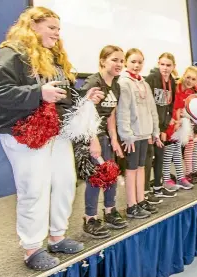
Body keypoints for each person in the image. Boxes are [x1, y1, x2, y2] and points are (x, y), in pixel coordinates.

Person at [0, 7, 104, 270]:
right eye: (52, 27)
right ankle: (31, 248)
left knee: (65, 183)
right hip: (24, 133)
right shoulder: (12, 53)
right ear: (33, 25)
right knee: (34, 190)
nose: (57, 32)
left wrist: (84, 98)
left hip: (57, 131)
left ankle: (57, 235)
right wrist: (38, 92)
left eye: (58, 28)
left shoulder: (53, 57)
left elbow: (61, 94)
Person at [81, 45, 128, 239]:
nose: (119, 64)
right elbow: (84, 114)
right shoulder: (94, 82)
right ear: (102, 61)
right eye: (114, 60)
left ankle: (110, 211)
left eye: (121, 61)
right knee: (96, 178)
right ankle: (89, 218)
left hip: (105, 136)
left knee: (111, 175)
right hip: (91, 134)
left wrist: (114, 139)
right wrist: (93, 141)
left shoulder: (115, 83)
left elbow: (111, 112)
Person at [117, 48, 163, 219]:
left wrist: (155, 131)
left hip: (145, 134)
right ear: (126, 63)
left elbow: (152, 109)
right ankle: (131, 205)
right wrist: (126, 134)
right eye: (133, 62)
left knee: (142, 168)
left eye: (140, 62)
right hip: (132, 136)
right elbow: (123, 111)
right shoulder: (124, 82)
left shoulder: (144, 83)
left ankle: (140, 199)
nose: (136, 65)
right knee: (131, 169)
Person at [144, 53, 178, 198]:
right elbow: (146, 105)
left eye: (168, 65)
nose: (165, 68)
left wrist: (164, 128)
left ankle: (158, 187)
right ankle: (145, 192)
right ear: (158, 64)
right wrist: (152, 129)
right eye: (162, 64)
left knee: (160, 157)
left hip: (161, 127)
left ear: (173, 67)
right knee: (147, 160)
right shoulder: (151, 79)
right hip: (149, 127)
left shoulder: (172, 82)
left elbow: (170, 106)